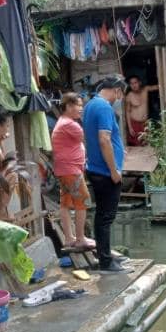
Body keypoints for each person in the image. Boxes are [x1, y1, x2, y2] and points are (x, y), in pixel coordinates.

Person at [83, 74, 132, 274]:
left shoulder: (90, 105)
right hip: (105, 172)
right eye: (121, 94)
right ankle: (105, 262)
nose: (120, 99)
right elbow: (104, 139)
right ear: (117, 90)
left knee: (101, 216)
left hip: (96, 168)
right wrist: (114, 170)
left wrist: (119, 150)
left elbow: (100, 139)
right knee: (105, 218)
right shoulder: (104, 107)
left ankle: (105, 256)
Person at [51, 92, 96, 249]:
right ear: (69, 106)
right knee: (82, 201)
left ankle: (69, 238)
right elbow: (89, 137)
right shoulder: (69, 124)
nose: (81, 109)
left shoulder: (63, 122)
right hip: (71, 169)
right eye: (79, 105)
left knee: (65, 203)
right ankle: (80, 239)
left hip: (65, 169)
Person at [124, 75, 159, 146]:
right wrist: (130, 128)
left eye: (135, 82)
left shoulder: (145, 90)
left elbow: (158, 87)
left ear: (139, 82)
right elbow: (127, 112)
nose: (134, 85)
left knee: (147, 144)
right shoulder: (129, 96)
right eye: (131, 83)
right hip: (134, 124)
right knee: (137, 146)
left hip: (145, 123)